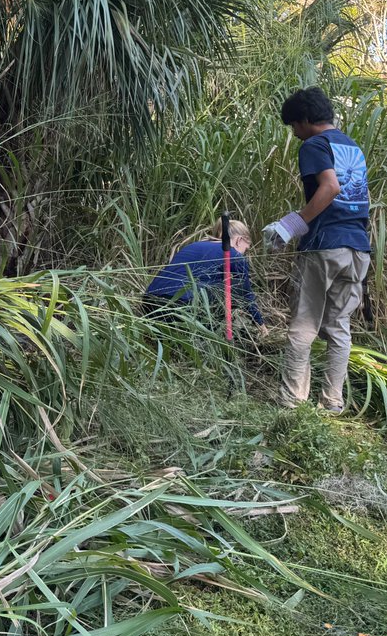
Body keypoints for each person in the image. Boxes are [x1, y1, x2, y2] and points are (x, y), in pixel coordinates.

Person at [264, 86, 370, 414]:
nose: (294, 133)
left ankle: (292, 402)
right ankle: (332, 403)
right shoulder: (352, 146)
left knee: (303, 326)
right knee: (339, 327)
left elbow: (331, 187)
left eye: (294, 125)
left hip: (324, 245)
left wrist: (291, 225)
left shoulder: (314, 144)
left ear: (307, 120)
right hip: (358, 248)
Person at [143, 219, 264, 328]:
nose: (244, 253)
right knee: (236, 287)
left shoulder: (194, 245)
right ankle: (211, 334)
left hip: (148, 303)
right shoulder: (234, 255)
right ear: (239, 240)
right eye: (246, 249)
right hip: (179, 307)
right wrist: (261, 326)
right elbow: (246, 295)